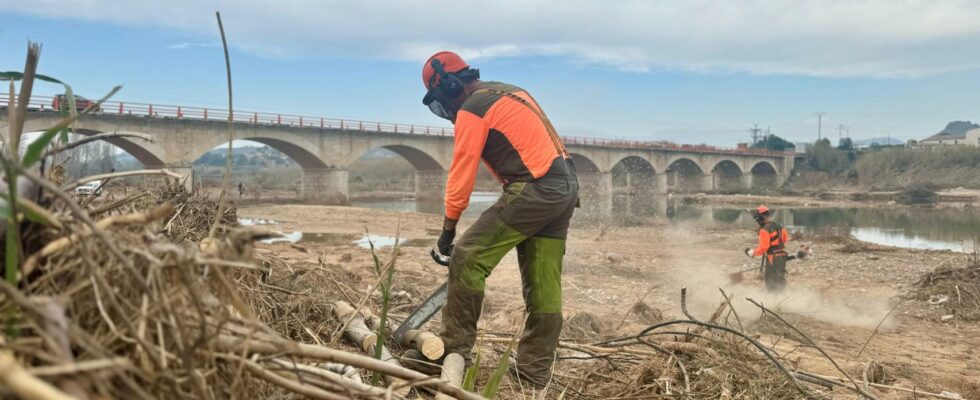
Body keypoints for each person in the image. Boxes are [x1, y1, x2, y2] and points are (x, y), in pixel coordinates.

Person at [420, 51, 579, 386]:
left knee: (467, 256)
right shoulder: (511, 91)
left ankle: (452, 349)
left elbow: (462, 172)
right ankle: (534, 373)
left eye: (442, 100)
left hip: (535, 188)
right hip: (563, 187)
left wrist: (449, 230)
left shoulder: (472, 109)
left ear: (449, 85)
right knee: (544, 284)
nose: (446, 110)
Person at [744, 205, 790, 292]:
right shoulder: (780, 225)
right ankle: (782, 299)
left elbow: (763, 248)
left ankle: (773, 301)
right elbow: (784, 239)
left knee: (771, 282)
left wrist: (752, 252)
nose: (757, 221)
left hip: (772, 257)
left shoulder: (764, 230)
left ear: (762, 217)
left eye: (758, 218)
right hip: (782, 256)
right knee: (780, 279)